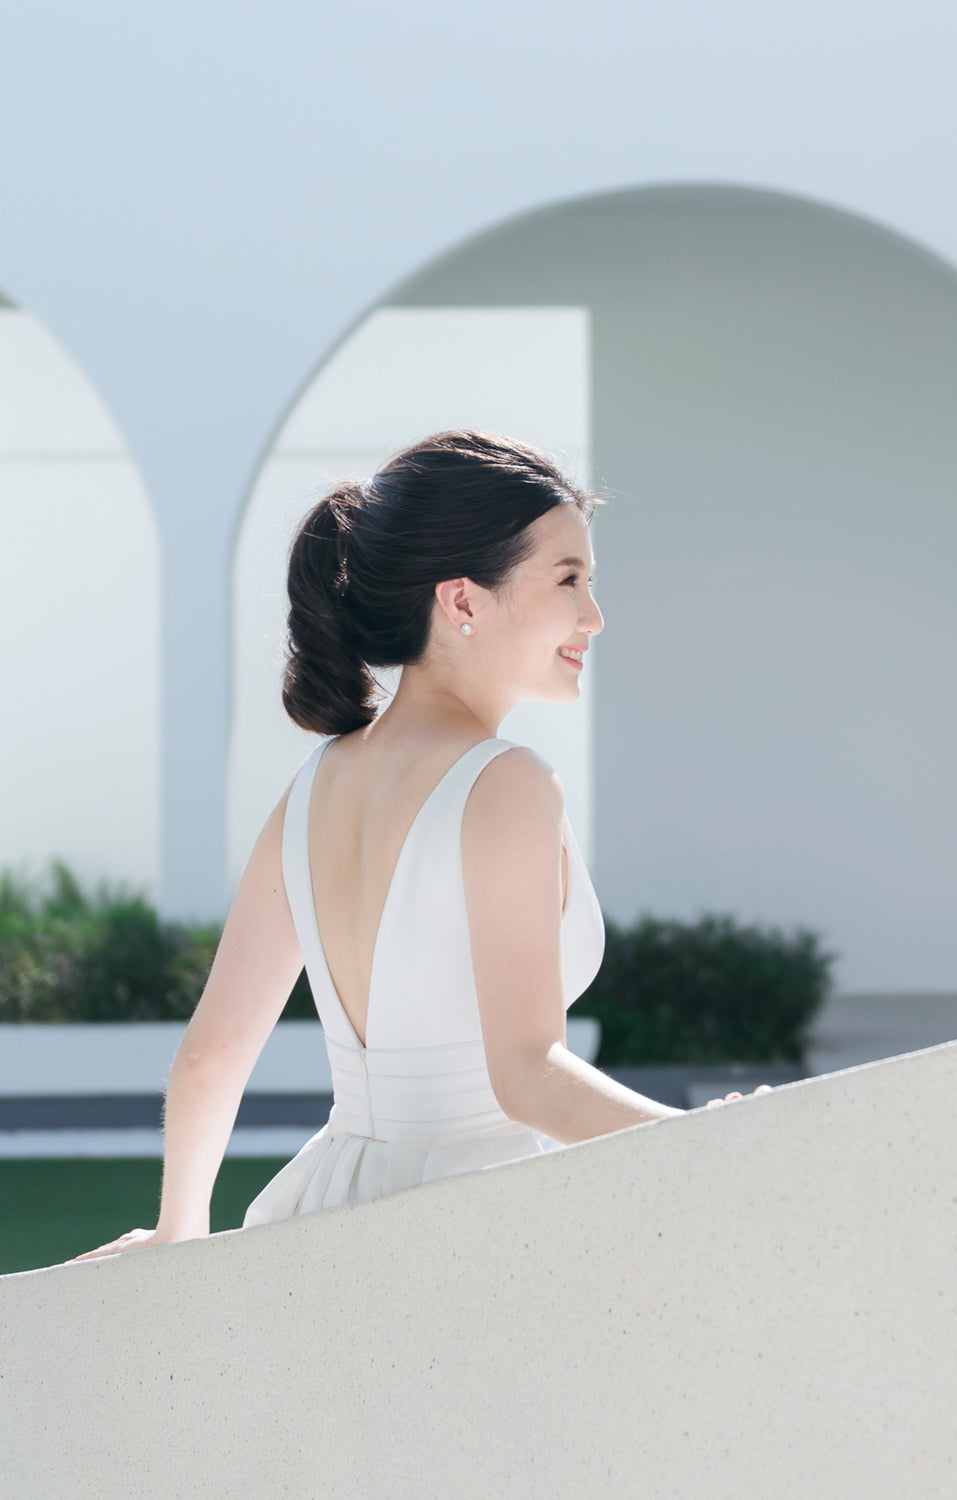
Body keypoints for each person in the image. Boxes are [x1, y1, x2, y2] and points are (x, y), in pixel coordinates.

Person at [72, 429, 767, 1263]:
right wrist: (703, 1142)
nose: (594, 615)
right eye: (569, 580)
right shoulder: (505, 783)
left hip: (321, 1218)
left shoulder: (314, 786)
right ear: (463, 601)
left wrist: (179, 1229)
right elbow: (527, 1075)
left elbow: (211, 1056)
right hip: (481, 1225)